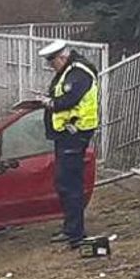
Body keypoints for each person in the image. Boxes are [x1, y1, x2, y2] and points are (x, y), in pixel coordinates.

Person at [36, 40, 99, 247]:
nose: (51, 67)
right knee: (65, 182)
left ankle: (75, 233)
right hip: (66, 134)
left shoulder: (78, 72)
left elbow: (69, 100)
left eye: (52, 62)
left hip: (75, 133)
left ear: (62, 57)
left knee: (69, 183)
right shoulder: (68, 71)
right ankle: (71, 228)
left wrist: (50, 103)